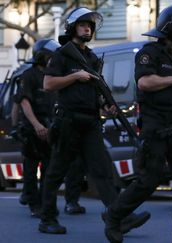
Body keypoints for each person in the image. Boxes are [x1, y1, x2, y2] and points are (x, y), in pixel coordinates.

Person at [102, 5, 172, 243]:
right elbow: (144, 82)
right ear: (170, 29)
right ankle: (114, 216)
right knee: (148, 181)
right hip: (156, 128)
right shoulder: (148, 52)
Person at [38, 7, 150, 234]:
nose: (87, 28)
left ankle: (118, 216)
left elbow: (94, 91)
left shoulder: (91, 57)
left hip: (90, 122)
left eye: (90, 25)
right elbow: (48, 85)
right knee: (57, 171)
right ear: (72, 28)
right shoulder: (62, 55)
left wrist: (105, 105)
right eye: (82, 24)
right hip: (68, 121)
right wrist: (74, 76)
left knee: (103, 169)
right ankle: (47, 218)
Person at [16, 39, 59, 217]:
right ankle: (34, 203)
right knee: (31, 168)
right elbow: (24, 102)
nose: (52, 59)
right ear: (41, 56)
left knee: (50, 169)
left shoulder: (53, 77)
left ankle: (47, 203)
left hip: (50, 127)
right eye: (49, 56)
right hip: (33, 129)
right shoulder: (29, 75)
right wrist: (36, 125)